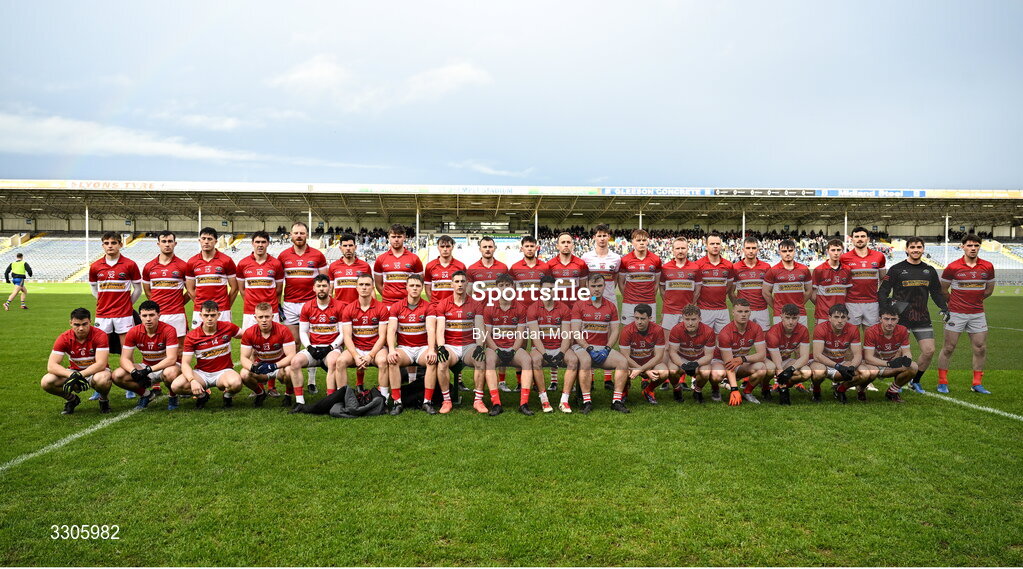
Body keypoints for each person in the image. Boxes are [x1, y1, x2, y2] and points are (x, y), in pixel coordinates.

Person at [877, 237, 948, 393]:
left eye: (919, 247)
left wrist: (944, 307)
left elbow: (936, 292)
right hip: (900, 317)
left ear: (923, 249)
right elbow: (883, 291)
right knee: (899, 352)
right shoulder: (896, 269)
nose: (916, 250)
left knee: (929, 351)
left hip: (922, 317)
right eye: (913, 247)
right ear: (907, 250)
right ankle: (898, 381)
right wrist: (883, 310)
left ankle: (915, 381)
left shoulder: (929, 270)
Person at [937, 234, 995, 394]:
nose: (973, 248)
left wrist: (975, 301)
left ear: (979, 247)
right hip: (956, 313)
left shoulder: (988, 266)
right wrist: (954, 302)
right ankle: (942, 382)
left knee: (980, 348)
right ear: (962, 247)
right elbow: (943, 290)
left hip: (977, 314)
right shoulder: (953, 267)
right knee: (948, 348)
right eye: (969, 245)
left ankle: (977, 383)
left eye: (976, 245)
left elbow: (989, 289)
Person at [89, 231, 142, 399]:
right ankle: (100, 384)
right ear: (102, 245)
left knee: (126, 349)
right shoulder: (95, 266)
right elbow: (93, 288)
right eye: (106, 243)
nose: (110, 245)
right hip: (103, 314)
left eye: (113, 242)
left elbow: (138, 289)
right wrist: (103, 301)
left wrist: (127, 304)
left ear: (120, 244)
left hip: (123, 314)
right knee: (100, 349)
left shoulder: (130, 264)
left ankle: (130, 383)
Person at [278, 221, 329, 393]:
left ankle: (312, 382)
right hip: (291, 304)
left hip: (311, 304)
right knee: (294, 343)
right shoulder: (283, 256)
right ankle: (292, 383)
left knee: (313, 341)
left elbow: (325, 281)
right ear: (290, 235)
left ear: (307, 234)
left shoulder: (317, 255)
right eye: (296, 233)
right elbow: (279, 283)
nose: (299, 236)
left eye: (302, 233)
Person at [570, 274, 630, 414]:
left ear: (605, 286)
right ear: (587, 287)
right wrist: (587, 347)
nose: (596, 289)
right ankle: (587, 402)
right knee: (585, 361)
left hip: (602, 348)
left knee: (622, 362)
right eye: (593, 286)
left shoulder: (611, 306)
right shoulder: (580, 305)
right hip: (581, 347)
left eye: (599, 286)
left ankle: (616, 401)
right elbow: (575, 331)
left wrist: (607, 349)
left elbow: (615, 331)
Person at [481, 273, 538, 415]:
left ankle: (524, 403)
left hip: (513, 347)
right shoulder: (489, 308)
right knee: (489, 360)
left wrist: (513, 349)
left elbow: (520, 333)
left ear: (513, 288)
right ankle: (496, 403)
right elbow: (487, 335)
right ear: (496, 288)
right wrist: (497, 349)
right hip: (495, 347)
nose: (505, 288)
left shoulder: (521, 308)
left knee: (527, 360)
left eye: (508, 285)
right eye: (501, 286)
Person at [41, 307, 112, 415]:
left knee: (102, 380)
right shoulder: (64, 338)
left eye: (84, 324)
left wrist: (79, 375)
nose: (81, 328)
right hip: (74, 372)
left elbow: (101, 364)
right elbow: (51, 366)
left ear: (90, 322)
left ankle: (104, 400)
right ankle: (72, 399)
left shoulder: (100, 335)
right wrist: (72, 375)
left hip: (95, 372)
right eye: (77, 325)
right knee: (46, 381)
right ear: (70, 323)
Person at [111, 300, 180, 410]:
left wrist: (148, 370)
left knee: (170, 373)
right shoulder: (133, 331)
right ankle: (147, 395)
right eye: (145, 315)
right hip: (146, 366)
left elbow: (171, 359)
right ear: (140, 316)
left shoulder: (169, 330)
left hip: (166, 367)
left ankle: (173, 396)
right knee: (117, 375)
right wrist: (133, 372)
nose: (148, 319)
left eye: (152, 315)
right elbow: (124, 358)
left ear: (159, 315)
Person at [175, 300, 244, 409]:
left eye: (213, 315)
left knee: (236, 383)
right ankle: (202, 396)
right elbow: (185, 363)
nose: (210, 318)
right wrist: (192, 380)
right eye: (206, 315)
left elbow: (248, 336)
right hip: (202, 374)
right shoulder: (192, 336)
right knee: (176, 386)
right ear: (201, 316)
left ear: (219, 315)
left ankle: (227, 396)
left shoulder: (228, 327)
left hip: (224, 372)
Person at [288, 274, 343, 409]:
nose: (322, 289)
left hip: (332, 348)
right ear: (314, 288)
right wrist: (310, 347)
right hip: (314, 348)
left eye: (324, 286)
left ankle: (330, 401)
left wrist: (330, 347)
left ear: (330, 288)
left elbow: (343, 333)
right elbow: (302, 331)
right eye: (318, 286)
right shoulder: (307, 306)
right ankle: (300, 402)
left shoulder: (340, 306)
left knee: (332, 362)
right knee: (295, 363)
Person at [434, 271, 486, 413]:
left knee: (480, 361)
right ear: (452, 284)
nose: (460, 284)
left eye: (463, 281)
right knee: (442, 362)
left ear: (467, 284)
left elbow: (480, 328)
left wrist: (480, 346)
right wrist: (441, 347)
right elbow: (440, 330)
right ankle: (446, 400)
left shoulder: (476, 304)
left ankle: (478, 400)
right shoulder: (443, 304)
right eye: (456, 282)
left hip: (469, 346)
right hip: (451, 346)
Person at [386, 274, 437, 415]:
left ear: (421, 288)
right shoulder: (396, 307)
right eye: (412, 285)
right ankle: (397, 402)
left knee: (432, 361)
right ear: (406, 287)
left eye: (418, 286)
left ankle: (427, 401)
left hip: (422, 348)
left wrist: (432, 350)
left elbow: (431, 329)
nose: (415, 288)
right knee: (393, 360)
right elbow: (391, 330)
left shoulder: (428, 307)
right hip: (405, 349)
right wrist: (391, 350)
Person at [327, 232, 373, 390]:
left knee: (360, 343)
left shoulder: (364, 266)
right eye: (345, 246)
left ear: (356, 247)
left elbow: (369, 287)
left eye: (350, 245)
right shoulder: (333, 267)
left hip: (359, 311)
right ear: (340, 248)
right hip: (340, 312)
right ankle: (335, 382)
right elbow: (330, 290)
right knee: (344, 345)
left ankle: (359, 383)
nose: (348, 248)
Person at [466, 236, 513, 390]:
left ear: (494, 248)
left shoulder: (503, 267)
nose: (487, 249)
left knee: (500, 343)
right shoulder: (472, 268)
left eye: (490, 247)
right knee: (479, 345)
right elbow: (468, 292)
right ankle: (479, 383)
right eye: (484, 247)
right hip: (479, 315)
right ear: (480, 249)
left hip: (498, 313)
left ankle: (501, 382)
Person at [336, 275, 391, 398]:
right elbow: (347, 337)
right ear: (356, 287)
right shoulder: (349, 309)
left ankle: (383, 398)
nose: (364, 287)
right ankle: (342, 398)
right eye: (361, 285)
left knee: (383, 361)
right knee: (340, 361)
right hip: (357, 347)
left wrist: (370, 355)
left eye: (367, 285)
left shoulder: (381, 308)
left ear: (372, 287)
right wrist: (356, 356)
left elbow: (382, 337)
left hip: (376, 349)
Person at [527, 275, 575, 412]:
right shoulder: (532, 308)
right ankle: (544, 400)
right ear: (540, 290)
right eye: (547, 289)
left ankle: (564, 401)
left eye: (552, 289)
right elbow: (535, 336)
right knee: (535, 360)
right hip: (541, 348)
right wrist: (545, 354)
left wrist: (561, 353)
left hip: (559, 347)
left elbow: (566, 335)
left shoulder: (564, 308)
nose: (550, 292)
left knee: (573, 360)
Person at [856, 304, 918, 403]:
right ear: (880, 319)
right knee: (871, 372)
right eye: (886, 319)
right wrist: (889, 364)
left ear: (898, 319)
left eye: (893, 319)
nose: (890, 323)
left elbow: (907, 352)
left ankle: (892, 392)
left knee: (913, 366)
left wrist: (906, 360)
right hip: (873, 364)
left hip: (891, 363)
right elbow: (868, 358)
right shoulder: (871, 331)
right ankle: (861, 390)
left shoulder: (902, 330)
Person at [239, 302, 296, 408]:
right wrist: (253, 368)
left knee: (290, 371)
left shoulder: (283, 330)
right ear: (255, 318)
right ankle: (260, 394)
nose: (264, 320)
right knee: (244, 374)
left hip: (279, 368)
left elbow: (291, 355)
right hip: (261, 368)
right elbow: (243, 357)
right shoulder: (249, 333)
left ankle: (288, 395)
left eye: (267, 316)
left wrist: (273, 366)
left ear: (273, 317)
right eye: (261, 317)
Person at [717, 299, 768, 405]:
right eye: (740, 311)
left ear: (750, 312)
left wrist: (743, 359)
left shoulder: (756, 328)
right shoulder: (725, 333)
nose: (743, 315)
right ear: (733, 312)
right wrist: (734, 390)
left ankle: (747, 392)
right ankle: (715, 390)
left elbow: (762, 355)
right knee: (716, 374)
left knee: (762, 367)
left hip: (739, 363)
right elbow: (729, 364)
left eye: (746, 311)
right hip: (722, 364)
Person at [142, 230, 190, 343]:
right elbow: (148, 291)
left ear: (175, 243)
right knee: (158, 347)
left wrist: (179, 302)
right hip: (157, 314)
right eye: (164, 241)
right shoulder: (149, 266)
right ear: (158, 244)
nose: (167, 244)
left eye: (170, 241)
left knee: (180, 348)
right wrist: (156, 305)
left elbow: (191, 290)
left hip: (177, 314)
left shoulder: (183, 266)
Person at [667, 305, 722, 403]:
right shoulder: (676, 329)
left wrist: (696, 364)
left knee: (705, 372)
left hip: (699, 359)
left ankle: (697, 391)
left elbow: (709, 356)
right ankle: (676, 389)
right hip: (682, 359)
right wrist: (683, 365)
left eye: (693, 319)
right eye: (687, 319)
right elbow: (673, 352)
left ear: (700, 318)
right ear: (682, 318)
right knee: (672, 370)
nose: (690, 323)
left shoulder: (708, 331)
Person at [809, 304, 862, 404]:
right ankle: (816, 390)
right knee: (819, 372)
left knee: (864, 373)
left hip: (841, 363)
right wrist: (837, 366)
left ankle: (840, 390)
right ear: (829, 318)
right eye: (836, 317)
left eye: (843, 317)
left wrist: (852, 366)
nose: (840, 321)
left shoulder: (853, 329)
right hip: (823, 363)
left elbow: (858, 355)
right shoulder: (820, 328)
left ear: (847, 318)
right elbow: (817, 355)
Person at [185, 227, 238, 327]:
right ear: (199, 240)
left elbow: (235, 288)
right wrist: (201, 306)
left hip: (222, 309)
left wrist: (226, 305)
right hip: (200, 310)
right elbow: (190, 289)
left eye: (209, 239)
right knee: (200, 340)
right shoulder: (192, 262)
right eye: (203, 238)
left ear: (215, 241)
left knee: (223, 340)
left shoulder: (226, 260)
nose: (206, 242)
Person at [619, 304, 670, 405]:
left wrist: (642, 369)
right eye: (636, 318)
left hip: (650, 363)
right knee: (621, 370)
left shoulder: (657, 330)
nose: (639, 322)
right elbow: (625, 356)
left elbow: (659, 356)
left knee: (664, 372)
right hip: (632, 364)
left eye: (643, 318)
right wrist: (644, 371)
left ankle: (648, 390)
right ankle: (624, 392)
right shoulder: (626, 330)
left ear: (650, 318)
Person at [764, 303, 813, 405]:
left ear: (799, 317)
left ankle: (784, 384)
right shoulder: (773, 333)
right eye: (787, 318)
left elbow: (804, 357)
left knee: (806, 372)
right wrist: (784, 391)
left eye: (794, 318)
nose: (791, 322)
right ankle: (765, 387)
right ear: (781, 316)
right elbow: (777, 363)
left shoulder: (803, 330)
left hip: (785, 360)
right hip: (769, 361)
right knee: (771, 368)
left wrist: (791, 370)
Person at [236, 231, 284, 331]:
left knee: (274, 342)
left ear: (268, 243)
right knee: (249, 342)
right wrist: (251, 302)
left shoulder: (276, 264)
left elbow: (279, 289)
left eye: (263, 242)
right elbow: (242, 289)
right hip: (250, 311)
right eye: (257, 242)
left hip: (271, 311)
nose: (260, 245)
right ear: (252, 243)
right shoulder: (243, 263)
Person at [841, 226, 887, 330]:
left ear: (868, 239)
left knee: (871, 337)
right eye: (856, 237)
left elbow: (883, 278)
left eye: (862, 236)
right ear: (852, 239)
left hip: (872, 303)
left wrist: (881, 297)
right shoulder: (844, 258)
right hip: (851, 303)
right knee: (851, 337)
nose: (860, 239)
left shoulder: (879, 256)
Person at [762, 239, 812, 326]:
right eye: (784, 251)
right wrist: (776, 307)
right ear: (779, 252)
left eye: (790, 251)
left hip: (800, 313)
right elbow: (766, 292)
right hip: (780, 314)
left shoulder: (804, 269)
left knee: (801, 339)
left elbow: (809, 290)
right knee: (780, 339)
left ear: (795, 251)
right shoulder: (773, 270)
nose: (787, 253)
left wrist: (800, 304)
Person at [374, 224, 425, 308]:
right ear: (389, 238)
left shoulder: (414, 258)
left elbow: (420, 282)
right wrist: (388, 296)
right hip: (388, 304)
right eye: (393, 237)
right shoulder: (381, 259)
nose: (396, 240)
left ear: (404, 237)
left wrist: (411, 297)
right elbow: (378, 284)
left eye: (399, 236)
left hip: (408, 303)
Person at [618, 229, 661, 326]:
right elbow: (621, 283)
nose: (641, 243)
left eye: (644, 240)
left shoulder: (656, 259)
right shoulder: (625, 260)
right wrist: (628, 297)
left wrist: (650, 295)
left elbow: (656, 283)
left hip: (649, 301)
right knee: (628, 331)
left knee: (649, 332)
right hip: (629, 303)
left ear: (648, 241)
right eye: (638, 240)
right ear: (632, 242)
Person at [660, 237, 702, 333]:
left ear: (687, 249)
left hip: (688, 312)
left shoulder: (695, 268)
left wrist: (689, 306)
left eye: (683, 248)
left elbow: (697, 291)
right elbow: (662, 289)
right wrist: (668, 303)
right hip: (669, 311)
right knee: (667, 343)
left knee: (686, 343)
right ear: (673, 250)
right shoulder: (665, 268)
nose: (680, 251)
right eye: (677, 248)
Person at [695, 232, 734, 333]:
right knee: (704, 341)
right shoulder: (697, 265)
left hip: (722, 310)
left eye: (717, 244)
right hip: (703, 310)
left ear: (721, 246)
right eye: (712, 244)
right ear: (706, 246)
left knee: (724, 342)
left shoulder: (729, 265)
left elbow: (728, 286)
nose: (715, 246)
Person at [730, 237, 772, 329]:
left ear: (758, 250)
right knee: (741, 339)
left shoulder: (766, 267)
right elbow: (731, 292)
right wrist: (738, 307)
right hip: (744, 311)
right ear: (743, 250)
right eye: (748, 248)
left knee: (764, 339)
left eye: (753, 248)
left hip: (762, 310)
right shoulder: (735, 267)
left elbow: (769, 291)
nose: (751, 251)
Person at [811, 239, 852, 324]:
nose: (836, 253)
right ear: (827, 251)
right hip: (823, 314)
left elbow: (848, 293)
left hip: (841, 315)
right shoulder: (819, 270)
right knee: (822, 337)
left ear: (842, 251)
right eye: (833, 250)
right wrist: (821, 306)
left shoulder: (847, 270)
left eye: (838, 250)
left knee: (839, 337)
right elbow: (812, 293)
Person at [580, 224, 621, 304]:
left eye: (604, 235)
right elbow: (583, 281)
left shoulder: (616, 258)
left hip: (610, 300)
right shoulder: (586, 257)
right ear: (594, 237)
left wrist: (608, 291)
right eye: (599, 236)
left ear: (609, 237)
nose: (602, 239)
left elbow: (615, 278)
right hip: (592, 300)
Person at [424, 234, 465, 302]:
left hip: (454, 306)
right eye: (442, 246)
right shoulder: (430, 266)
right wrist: (434, 303)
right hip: (436, 307)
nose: (445, 249)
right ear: (438, 247)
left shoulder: (460, 266)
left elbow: (464, 288)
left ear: (453, 247)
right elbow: (427, 288)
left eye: (448, 246)